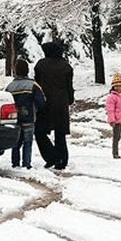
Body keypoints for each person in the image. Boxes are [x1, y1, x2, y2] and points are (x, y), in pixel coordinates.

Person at [34, 41, 74, 170]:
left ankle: (51, 156)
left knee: (39, 132)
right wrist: (69, 99)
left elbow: (37, 84)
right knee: (60, 133)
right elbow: (69, 87)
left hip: (45, 104)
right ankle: (62, 159)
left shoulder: (41, 65)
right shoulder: (66, 66)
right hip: (61, 104)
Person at [4, 58, 45, 169]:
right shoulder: (33, 85)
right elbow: (41, 102)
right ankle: (26, 164)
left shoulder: (9, 87)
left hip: (15, 119)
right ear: (27, 70)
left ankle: (15, 163)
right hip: (29, 118)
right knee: (28, 142)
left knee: (16, 143)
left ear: (15, 71)